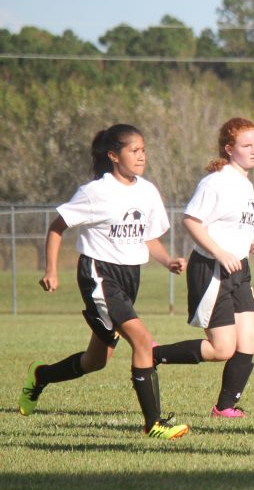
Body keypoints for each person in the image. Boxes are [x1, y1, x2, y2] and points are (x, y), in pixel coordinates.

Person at [17, 124, 190, 439]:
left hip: (129, 278)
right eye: (134, 151)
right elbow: (57, 227)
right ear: (113, 155)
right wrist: (51, 270)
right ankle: (154, 424)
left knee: (95, 361)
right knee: (142, 341)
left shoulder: (147, 191)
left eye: (143, 150)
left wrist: (168, 261)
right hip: (99, 275)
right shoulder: (95, 192)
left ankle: (40, 376)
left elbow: (147, 237)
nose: (141, 156)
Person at [149, 117, 254, 419]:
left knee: (249, 340)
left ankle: (224, 407)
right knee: (222, 349)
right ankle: (153, 355)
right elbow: (191, 220)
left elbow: (235, 227)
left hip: (239, 270)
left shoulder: (245, 184)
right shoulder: (216, 182)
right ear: (229, 149)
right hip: (211, 269)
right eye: (246, 145)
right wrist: (219, 251)